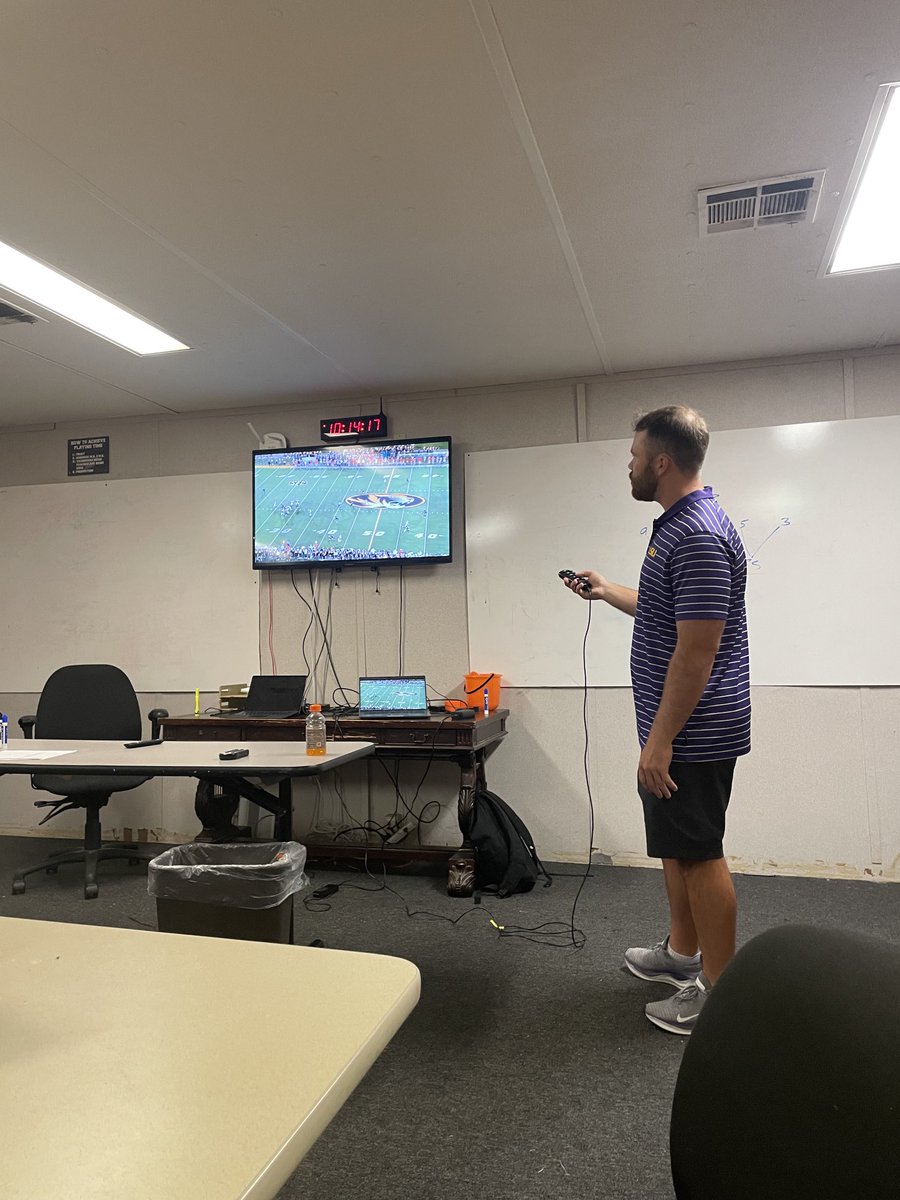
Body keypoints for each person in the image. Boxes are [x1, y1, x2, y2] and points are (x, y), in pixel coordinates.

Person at [564, 405, 749, 1035]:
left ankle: (718, 996)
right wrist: (606, 589)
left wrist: (661, 741)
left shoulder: (697, 534)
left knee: (699, 854)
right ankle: (681, 955)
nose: (630, 465)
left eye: (635, 455)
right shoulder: (676, 526)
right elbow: (667, 608)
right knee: (676, 846)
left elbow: (698, 652)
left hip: (692, 732)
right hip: (674, 729)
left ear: (662, 462)